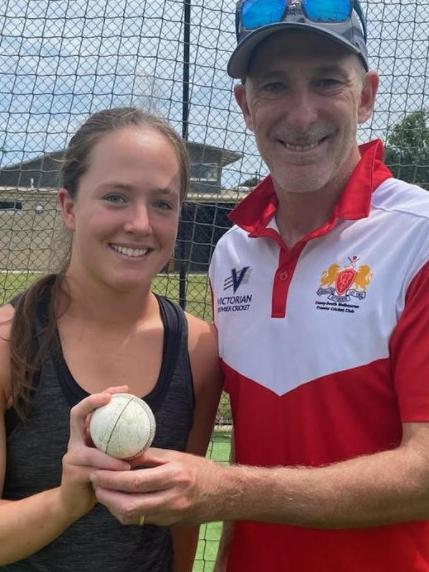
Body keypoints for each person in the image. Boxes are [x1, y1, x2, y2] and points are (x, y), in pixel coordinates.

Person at [84, 2, 429, 571]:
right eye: (274, 86)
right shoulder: (232, 252)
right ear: (246, 105)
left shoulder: (416, 239)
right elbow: (254, 442)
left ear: (365, 96)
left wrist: (225, 491)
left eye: (326, 82)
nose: (300, 114)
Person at [0, 106, 222, 571]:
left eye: (162, 203)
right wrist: (65, 501)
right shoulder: (8, 344)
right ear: (69, 207)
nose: (140, 223)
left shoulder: (199, 350)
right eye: (116, 197)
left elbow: (185, 523)